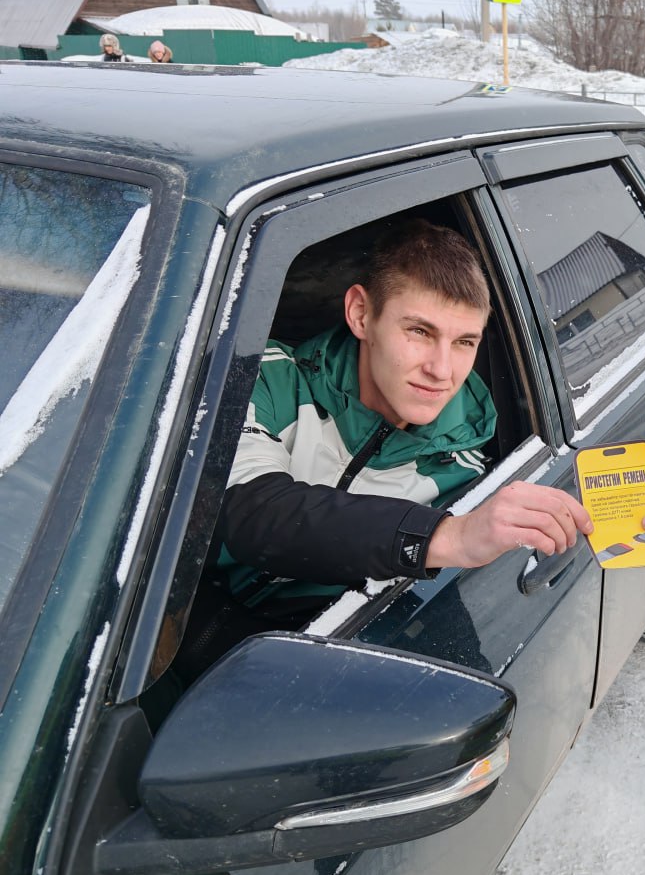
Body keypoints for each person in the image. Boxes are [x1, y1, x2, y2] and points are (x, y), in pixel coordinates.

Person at [178, 220, 591, 677]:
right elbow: (248, 508)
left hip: (298, 657)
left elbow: (436, 627)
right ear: (360, 314)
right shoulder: (270, 378)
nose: (441, 370)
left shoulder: (466, 470)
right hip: (174, 610)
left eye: (464, 342)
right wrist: (445, 537)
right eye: (419, 332)